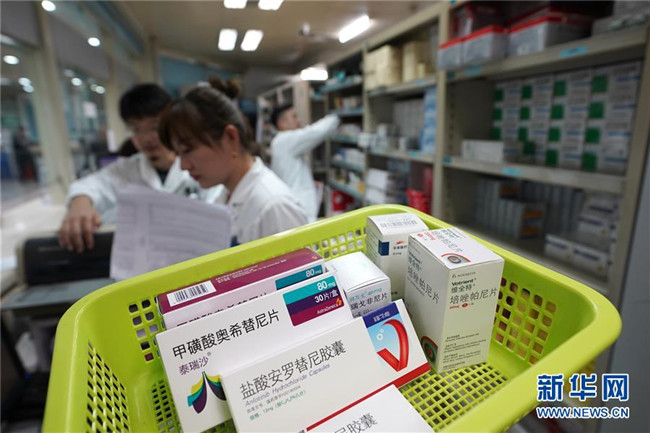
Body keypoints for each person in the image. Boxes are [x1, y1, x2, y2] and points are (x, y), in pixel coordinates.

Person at [58, 83, 223, 252]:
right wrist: (80, 205)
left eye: (154, 127)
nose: (146, 138)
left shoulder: (198, 165)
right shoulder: (126, 169)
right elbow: (90, 185)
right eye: (136, 129)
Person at [159, 81, 307, 246]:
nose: (183, 166)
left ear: (231, 137)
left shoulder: (274, 206)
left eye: (187, 150)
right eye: (178, 154)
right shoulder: (225, 196)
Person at [270, 104, 340, 222]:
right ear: (282, 123)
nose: (298, 121)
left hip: (295, 209)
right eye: (294, 117)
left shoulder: (280, 143)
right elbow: (315, 132)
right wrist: (335, 116)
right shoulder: (284, 140)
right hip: (299, 211)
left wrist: (308, 183)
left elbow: (292, 171)